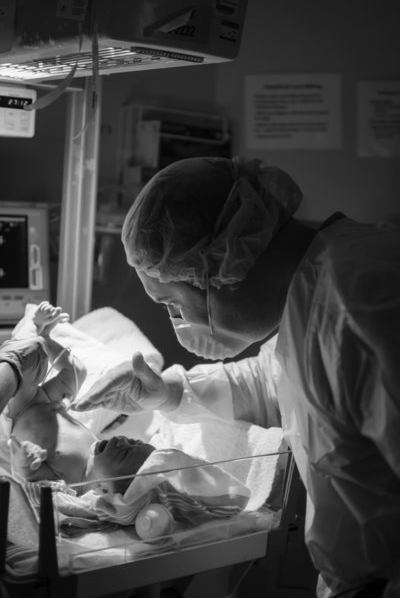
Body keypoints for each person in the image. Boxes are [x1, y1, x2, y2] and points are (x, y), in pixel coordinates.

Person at [72, 156, 400, 598]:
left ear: (221, 265)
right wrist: (168, 393)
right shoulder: (315, 288)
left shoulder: (361, 309)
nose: (177, 320)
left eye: (172, 302)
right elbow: (274, 380)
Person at [0, 301, 155, 494]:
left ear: (104, 488)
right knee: (78, 371)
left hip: (21, 412)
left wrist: (25, 461)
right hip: (51, 402)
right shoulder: (94, 449)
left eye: (123, 453)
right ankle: (46, 336)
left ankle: (33, 328)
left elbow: (30, 479)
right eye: (133, 441)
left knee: (32, 354)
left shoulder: (70, 484)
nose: (123, 440)